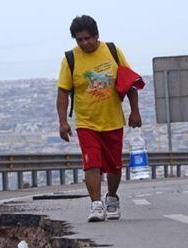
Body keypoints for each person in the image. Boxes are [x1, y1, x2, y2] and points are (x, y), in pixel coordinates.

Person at [56, 15, 142, 222]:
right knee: (91, 162)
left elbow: (129, 81)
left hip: (112, 120)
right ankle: (95, 204)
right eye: (79, 40)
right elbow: (63, 92)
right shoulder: (70, 59)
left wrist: (135, 111)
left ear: (96, 36)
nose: (84, 43)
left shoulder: (112, 51)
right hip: (86, 122)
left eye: (87, 38)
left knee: (114, 166)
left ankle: (111, 197)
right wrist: (63, 122)